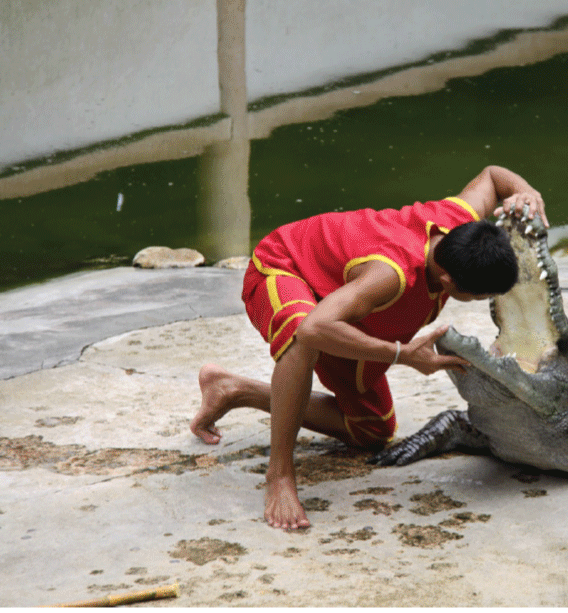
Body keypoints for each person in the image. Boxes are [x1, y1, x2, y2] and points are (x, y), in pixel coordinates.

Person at [191, 165, 548, 530]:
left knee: (372, 432)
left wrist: (526, 192)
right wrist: (402, 354)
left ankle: (233, 390)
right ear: (447, 280)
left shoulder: (459, 221)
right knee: (302, 335)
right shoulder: (390, 275)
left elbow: (492, 177)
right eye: (479, 296)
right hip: (285, 266)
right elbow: (316, 328)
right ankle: (280, 475)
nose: (481, 301)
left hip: (340, 301)